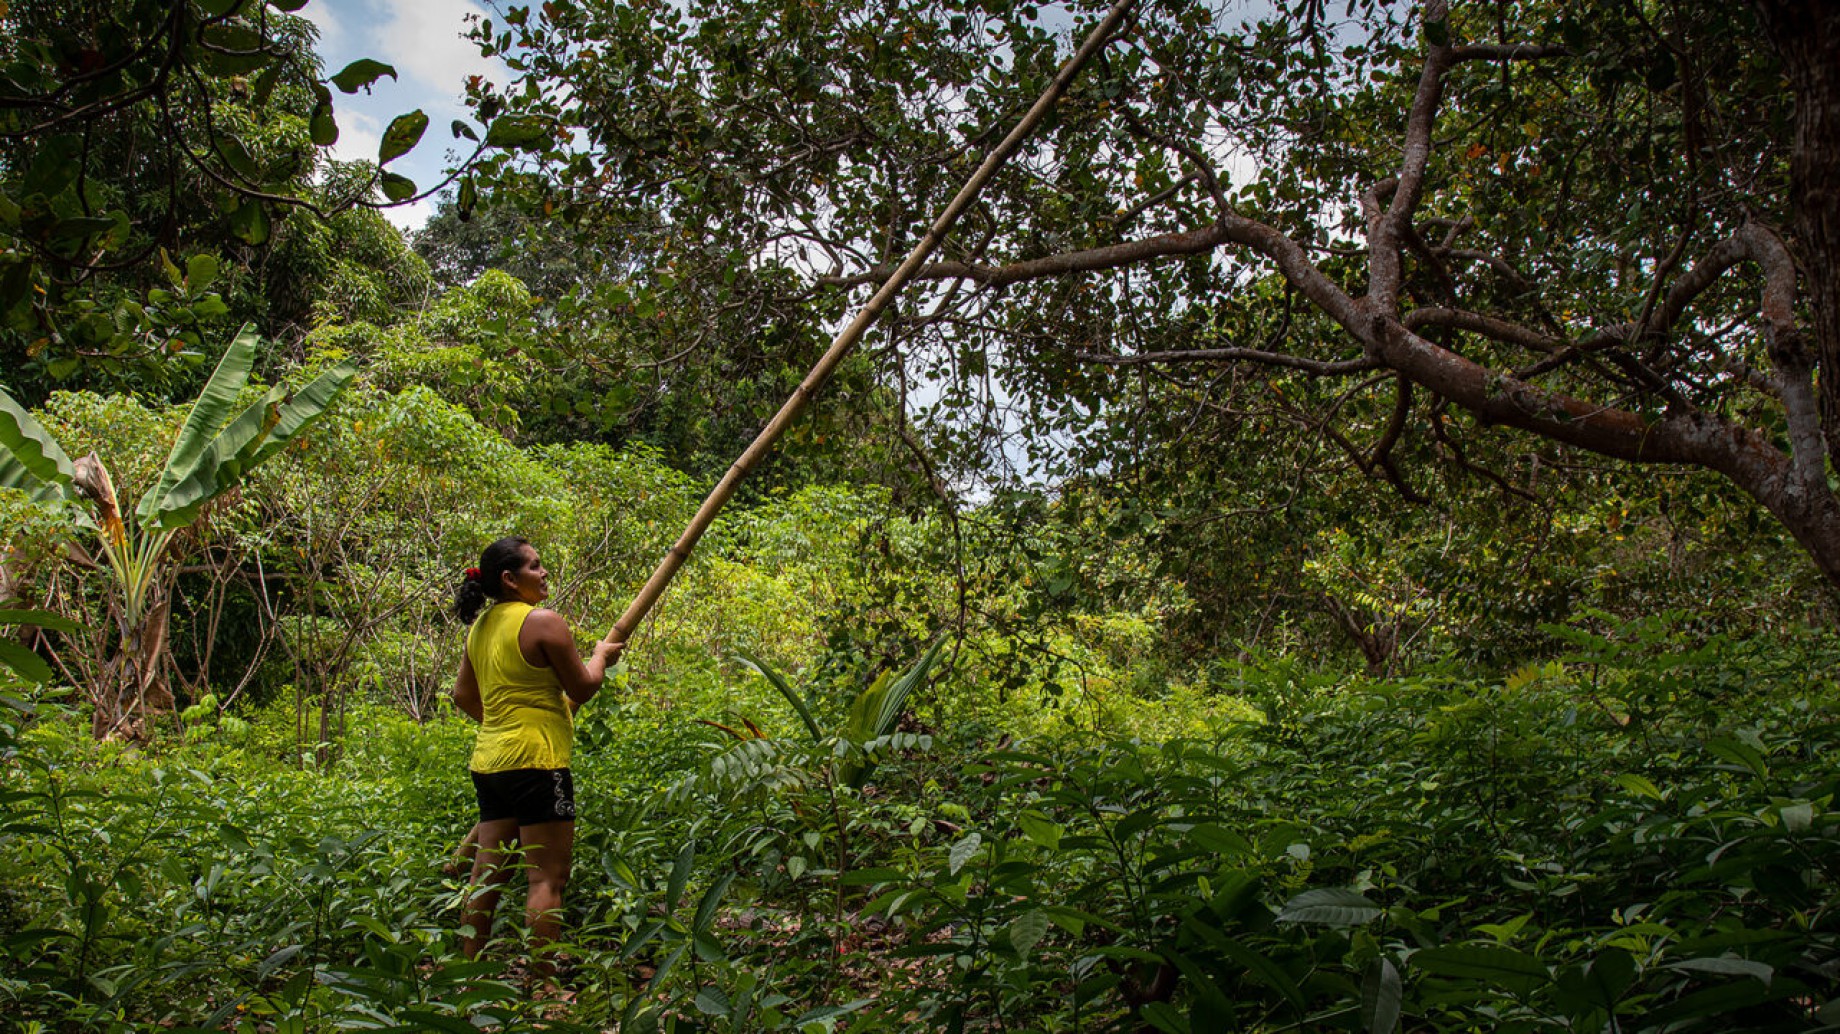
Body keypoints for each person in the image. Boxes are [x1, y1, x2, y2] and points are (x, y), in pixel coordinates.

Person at [450, 536, 623, 965]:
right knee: (547, 879)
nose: (544, 573)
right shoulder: (543, 622)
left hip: (490, 763)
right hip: (539, 764)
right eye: (535, 566)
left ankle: (470, 979)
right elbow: (583, 685)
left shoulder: (481, 628)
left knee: (486, 877)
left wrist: (503, 724)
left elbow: (463, 696)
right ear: (509, 579)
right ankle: (544, 986)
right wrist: (600, 655)